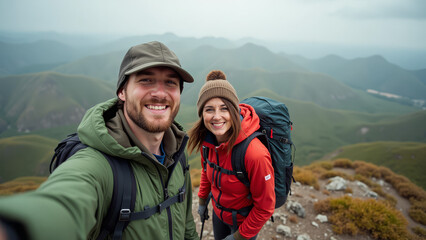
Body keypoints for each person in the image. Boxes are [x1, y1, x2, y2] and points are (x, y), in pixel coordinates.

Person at [0, 41, 198, 240]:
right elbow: (65, 202)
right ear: (122, 92)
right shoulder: (98, 165)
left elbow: (187, 225)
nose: (160, 93)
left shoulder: (177, 153)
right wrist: (16, 228)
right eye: (146, 80)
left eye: (171, 83)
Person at [187, 70, 275, 240]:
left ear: (234, 111)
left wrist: (239, 237)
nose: (217, 116)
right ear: (202, 114)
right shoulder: (208, 141)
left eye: (224, 108)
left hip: (244, 222)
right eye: (209, 109)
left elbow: (265, 207)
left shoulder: (254, 153)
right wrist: (203, 201)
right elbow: (207, 170)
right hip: (219, 215)